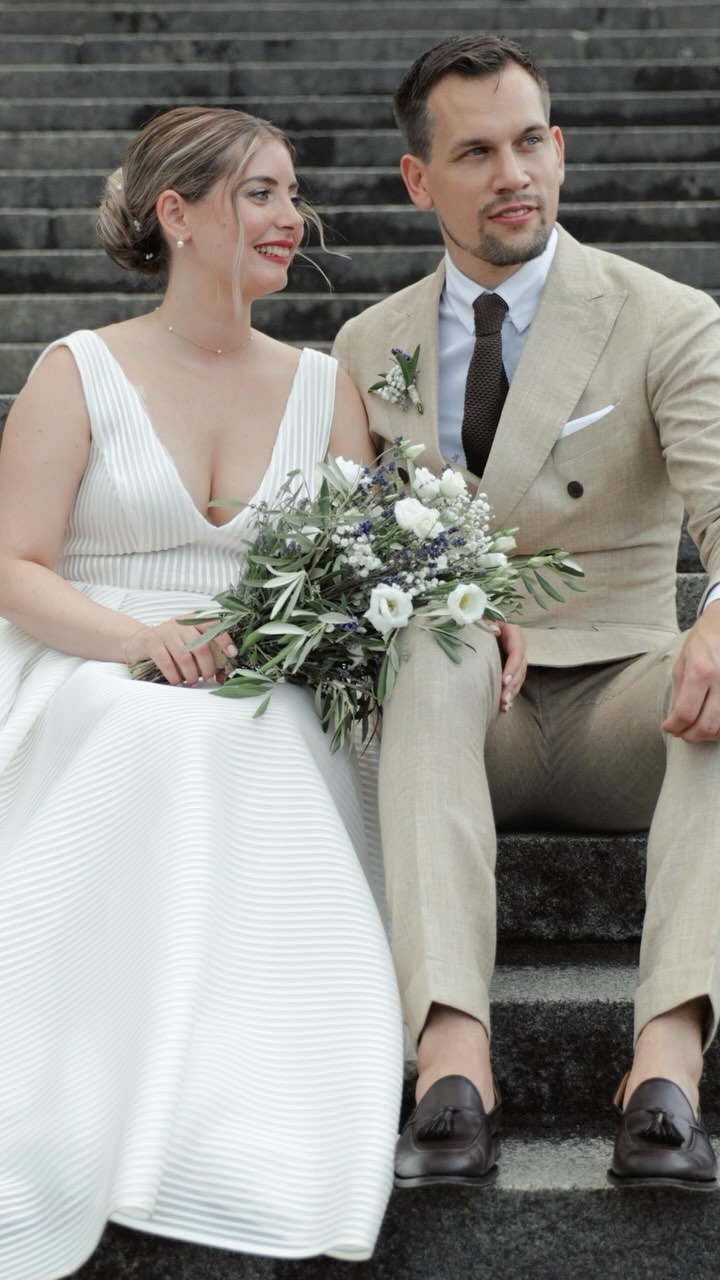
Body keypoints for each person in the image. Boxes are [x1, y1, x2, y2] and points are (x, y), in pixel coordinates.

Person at [0, 106, 405, 1278]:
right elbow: (15, 567)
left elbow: (347, 570)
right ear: (176, 215)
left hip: (254, 672)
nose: (294, 219)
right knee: (143, 727)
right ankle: (73, 1086)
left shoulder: (328, 385)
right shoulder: (76, 369)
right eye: (262, 195)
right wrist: (137, 639)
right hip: (85, 652)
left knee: (256, 733)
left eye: (292, 194)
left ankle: (245, 1100)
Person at [332, 34, 720, 1192]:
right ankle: (453, 1058)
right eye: (478, 151)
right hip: (458, 721)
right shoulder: (368, 345)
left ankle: (667, 1065)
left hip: (624, 703)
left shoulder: (664, 316)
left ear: (560, 148)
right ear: (419, 181)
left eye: (532, 141)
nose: (515, 172)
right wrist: (453, 607)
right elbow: (344, 555)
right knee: (425, 635)